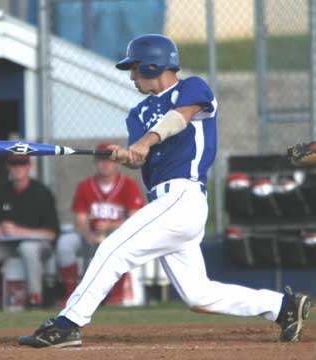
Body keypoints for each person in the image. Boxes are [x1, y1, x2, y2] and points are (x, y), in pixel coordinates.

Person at [18, 34, 311, 348]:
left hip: (183, 199)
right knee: (199, 295)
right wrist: (128, 156)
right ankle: (281, 307)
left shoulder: (192, 88)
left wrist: (144, 143)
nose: (131, 76)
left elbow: (179, 119)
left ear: (153, 63)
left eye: (135, 68)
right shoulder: (137, 114)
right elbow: (140, 156)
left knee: (113, 249)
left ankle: (68, 323)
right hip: (164, 205)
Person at [56, 142, 145, 306]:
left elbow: (135, 219)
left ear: (117, 162)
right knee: (65, 244)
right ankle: (71, 294)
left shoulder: (128, 185)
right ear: (96, 162)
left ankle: (117, 295)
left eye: (109, 159)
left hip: (117, 234)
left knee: (119, 245)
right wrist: (88, 235)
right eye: (101, 159)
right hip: (90, 235)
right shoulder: (85, 186)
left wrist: (111, 227)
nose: (105, 163)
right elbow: (81, 220)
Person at [0, 155, 59, 309]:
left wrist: (20, 231)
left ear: (29, 166)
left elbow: (52, 234)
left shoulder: (42, 192)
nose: (18, 168)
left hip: (39, 247)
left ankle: (34, 297)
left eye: (22, 164)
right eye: (14, 164)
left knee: (27, 247)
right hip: (7, 246)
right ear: (8, 167)